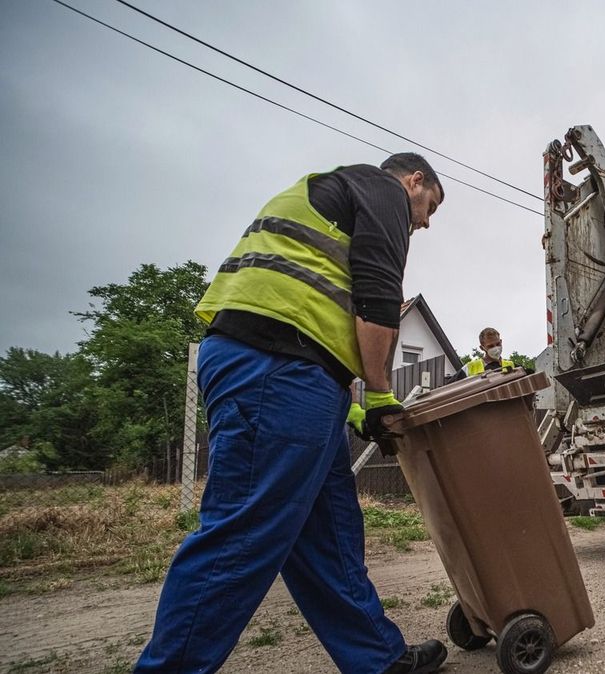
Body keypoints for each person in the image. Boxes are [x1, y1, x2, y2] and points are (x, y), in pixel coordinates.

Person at [135, 154, 447, 674]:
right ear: (414, 181)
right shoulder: (382, 188)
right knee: (242, 533)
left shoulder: (335, 193)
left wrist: (344, 401)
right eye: (430, 205)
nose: (426, 221)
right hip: (275, 367)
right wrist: (377, 394)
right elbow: (376, 291)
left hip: (292, 372)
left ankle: (377, 659)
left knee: (328, 536)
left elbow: (324, 308)